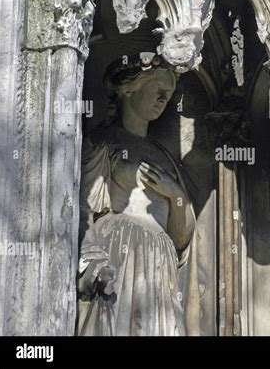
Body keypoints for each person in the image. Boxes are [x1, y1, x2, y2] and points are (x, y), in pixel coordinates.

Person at [77, 53, 195, 336]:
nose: (162, 100)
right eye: (158, 90)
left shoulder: (165, 157)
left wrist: (176, 193)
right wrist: (91, 262)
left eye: (167, 95)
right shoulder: (103, 142)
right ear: (128, 89)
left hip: (160, 259)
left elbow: (181, 239)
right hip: (120, 248)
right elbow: (80, 210)